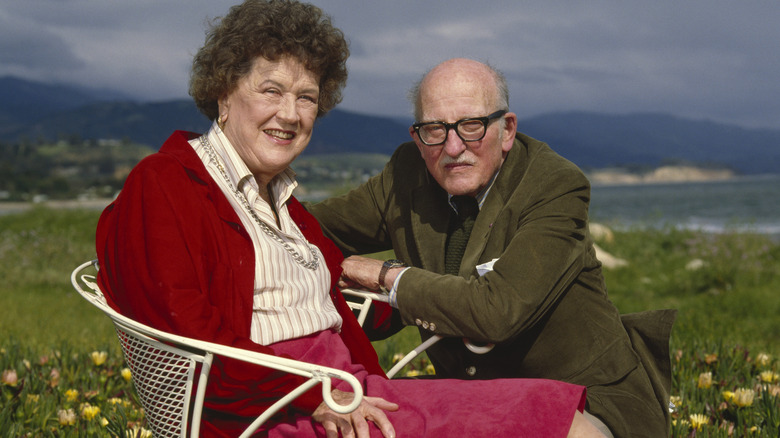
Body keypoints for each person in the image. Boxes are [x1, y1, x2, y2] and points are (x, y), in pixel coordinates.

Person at [94, 1, 606, 437]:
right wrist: (314, 392)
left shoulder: (278, 202)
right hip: (280, 412)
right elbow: (191, 337)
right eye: (271, 90)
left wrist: (416, 292)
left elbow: (333, 302)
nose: (290, 114)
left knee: (565, 414)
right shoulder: (167, 184)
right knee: (570, 428)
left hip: (348, 391)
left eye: (307, 97)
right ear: (224, 95)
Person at [305, 58, 677, 437]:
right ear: (417, 138)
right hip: (473, 398)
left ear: (507, 130)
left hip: (586, 397)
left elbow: (497, 311)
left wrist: (388, 275)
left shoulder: (554, 185)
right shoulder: (406, 176)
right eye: (435, 128)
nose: (453, 147)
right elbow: (305, 229)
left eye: (471, 126)